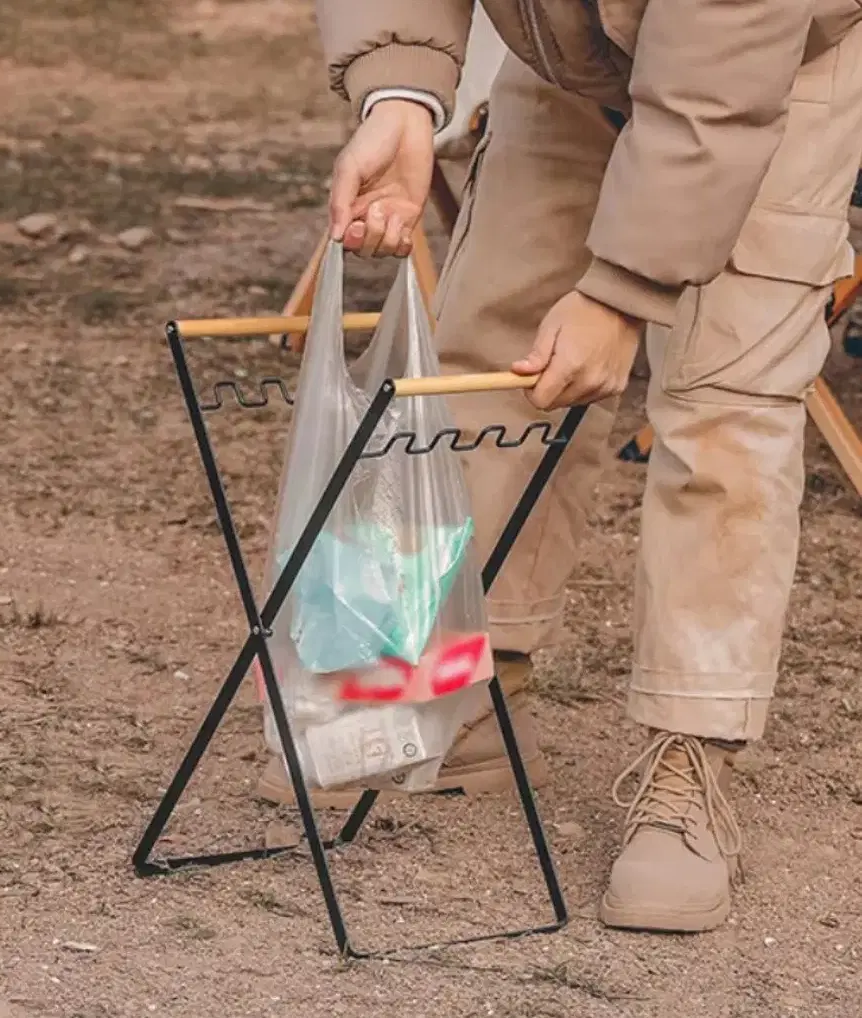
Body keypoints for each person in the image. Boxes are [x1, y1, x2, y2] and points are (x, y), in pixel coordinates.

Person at [257, 0, 862, 933]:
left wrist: (623, 290)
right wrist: (402, 94)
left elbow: (716, 77)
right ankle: (468, 690)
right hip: (569, 57)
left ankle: (689, 759)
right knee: (487, 353)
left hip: (766, 62)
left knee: (725, 404)